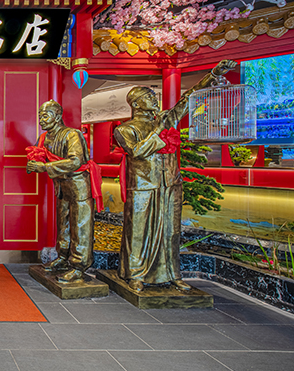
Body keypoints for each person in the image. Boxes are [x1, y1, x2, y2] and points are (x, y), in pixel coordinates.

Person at [114, 60, 236, 292]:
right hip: (143, 185)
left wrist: (212, 75)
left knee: (171, 230)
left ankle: (172, 273)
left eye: (154, 96)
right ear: (136, 104)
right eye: (149, 97)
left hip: (170, 182)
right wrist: (159, 130)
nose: (154, 99)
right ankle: (135, 273)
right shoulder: (125, 129)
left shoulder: (165, 119)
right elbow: (137, 152)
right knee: (137, 229)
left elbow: (186, 100)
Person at [27, 100, 101, 283]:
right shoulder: (45, 137)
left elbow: (76, 161)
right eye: (40, 116)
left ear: (58, 116)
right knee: (64, 224)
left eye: (46, 116)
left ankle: (79, 266)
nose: (41, 120)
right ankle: (62, 257)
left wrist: (45, 167)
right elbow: (39, 154)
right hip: (62, 186)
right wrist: (34, 163)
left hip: (78, 186)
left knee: (80, 226)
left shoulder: (71, 134)